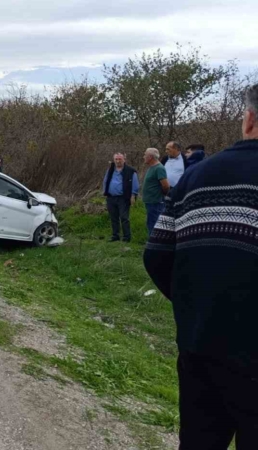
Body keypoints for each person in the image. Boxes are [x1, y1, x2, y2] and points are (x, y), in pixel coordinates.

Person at [144, 83, 258, 449]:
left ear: (250, 118)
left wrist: (195, 304)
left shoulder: (198, 176)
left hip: (201, 344)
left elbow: (157, 255)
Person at [102, 153, 139, 242]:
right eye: (116, 159)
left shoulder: (130, 171)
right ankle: (115, 235)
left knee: (124, 217)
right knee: (113, 217)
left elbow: (135, 184)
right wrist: (105, 192)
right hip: (111, 197)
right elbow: (105, 180)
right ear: (114, 160)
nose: (118, 161)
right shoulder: (110, 169)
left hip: (123, 198)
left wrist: (133, 195)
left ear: (124, 160)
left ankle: (126, 237)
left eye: (120, 159)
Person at [142, 148, 170, 235]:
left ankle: (155, 244)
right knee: (150, 223)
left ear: (150, 157)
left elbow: (166, 185)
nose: (144, 157)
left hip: (156, 201)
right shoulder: (152, 167)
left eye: (145, 155)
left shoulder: (159, 168)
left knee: (154, 224)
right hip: (150, 201)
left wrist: (162, 195)